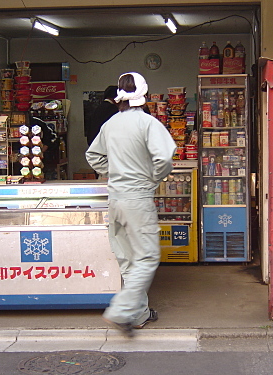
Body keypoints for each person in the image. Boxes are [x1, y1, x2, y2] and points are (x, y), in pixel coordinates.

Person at [86, 72, 176, 337]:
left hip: (115, 199)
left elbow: (93, 155)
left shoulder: (111, 123)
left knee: (127, 260)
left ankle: (138, 314)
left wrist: (114, 172)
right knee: (147, 257)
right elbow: (165, 158)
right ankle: (121, 311)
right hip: (137, 199)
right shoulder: (148, 123)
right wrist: (151, 179)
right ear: (144, 94)